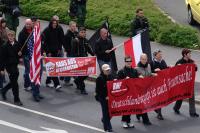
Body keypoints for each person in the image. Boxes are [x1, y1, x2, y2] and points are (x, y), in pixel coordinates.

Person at [173, 48, 199, 117]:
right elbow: (174, 72)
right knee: (181, 97)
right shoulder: (179, 62)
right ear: (185, 54)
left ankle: (192, 112)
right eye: (189, 54)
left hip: (190, 83)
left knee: (192, 97)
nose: (190, 55)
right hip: (182, 84)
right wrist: (178, 68)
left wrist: (195, 66)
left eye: (190, 53)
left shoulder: (191, 61)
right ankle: (176, 108)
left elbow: (195, 70)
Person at [0, 30, 23, 106]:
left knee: (14, 80)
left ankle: (3, 90)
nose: (10, 37)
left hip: (15, 65)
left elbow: (19, 54)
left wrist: (20, 55)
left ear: (14, 36)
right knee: (15, 84)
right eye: (9, 35)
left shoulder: (17, 44)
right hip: (9, 66)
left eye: (12, 36)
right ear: (8, 36)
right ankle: (16, 99)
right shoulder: (4, 46)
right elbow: (2, 59)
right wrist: (2, 69)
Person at [42, 16, 64, 91]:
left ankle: (48, 81)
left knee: (52, 67)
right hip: (50, 52)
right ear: (51, 23)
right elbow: (44, 43)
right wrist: (47, 52)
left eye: (56, 23)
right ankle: (57, 84)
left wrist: (59, 48)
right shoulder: (46, 30)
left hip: (56, 51)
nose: (55, 24)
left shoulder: (59, 29)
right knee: (52, 67)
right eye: (53, 23)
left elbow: (61, 39)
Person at [71, 27, 94, 95]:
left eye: (84, 32)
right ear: (79, 32)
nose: (83, 34)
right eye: (82, 32)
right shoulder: (75, 40)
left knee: (86, 73)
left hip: (85, 60)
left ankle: (77, 81)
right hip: (79, 60)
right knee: (82, 74)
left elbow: (88, 49)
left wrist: (93, 54)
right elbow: (73, 52)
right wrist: (75, 60)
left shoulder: (85, 40)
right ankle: (82, 89)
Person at [117, 56, 139, 128]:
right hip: (124, 93)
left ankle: (128, 121)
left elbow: (137, 80)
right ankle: (124, 121)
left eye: (130, 61)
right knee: (125, 107)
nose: (129, 63)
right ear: (125, 62)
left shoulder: (134, 71)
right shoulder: (121, 71)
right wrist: (124, 80)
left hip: (132, 92)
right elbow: (118, 82)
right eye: (127, 61)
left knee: (130, 107)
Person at [136, 53, 156, 125]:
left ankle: (138, 114)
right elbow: (136, 78)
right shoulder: (137, 68)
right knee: (144, 104)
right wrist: (139, 76)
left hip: (148, 87)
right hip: (141, 89)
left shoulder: (149, 65)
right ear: (140, 59)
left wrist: (153, 74)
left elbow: (149, 74)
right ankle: (146, 120)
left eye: (145, 59)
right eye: (143, 59)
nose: (144, 61)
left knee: (146, 103)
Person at [95, 64, 114, 133]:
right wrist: (105, 96)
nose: (108, 71)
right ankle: (107, 128)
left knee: (111, 112)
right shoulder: (99, 78)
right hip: (102, 97)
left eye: (108, 70)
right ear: (103, 70)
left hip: (110, 97)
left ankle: (104, 120)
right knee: (105, 112)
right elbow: (98, 90)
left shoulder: (111, 76)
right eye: (106, 70)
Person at [150, 49, 168, 120]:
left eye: (161, 54)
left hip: (162, 83)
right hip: (154, 84)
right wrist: (154, 71)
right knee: (154, 99)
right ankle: (156, 111)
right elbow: (148, 72)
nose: (161, 56)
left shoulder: (163, 61)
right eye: (159, 54)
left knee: (159, 99)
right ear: (155, 56)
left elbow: (166, 69)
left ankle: (159, 113)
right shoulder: (151, 63)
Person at [18, 18, 33, 91]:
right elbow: (20, 45)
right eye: (27, 24)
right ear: (25, 24)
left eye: (29, 24)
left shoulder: (33, 31)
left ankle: (27, 78)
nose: (28, 25)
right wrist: (20, 57)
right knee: (28, 70)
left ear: (31, 24)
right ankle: (26, 85)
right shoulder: (22, 33)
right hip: (26, 54)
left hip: (32, 53)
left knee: (29, 70)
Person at [63, 21, 78, 85]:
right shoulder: (67, 35)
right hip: (70, 53)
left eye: (75, 26)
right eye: (73, 26)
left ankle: (63, 77)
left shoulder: (76, 33)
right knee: (70, 67)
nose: (74, 28)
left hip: (76, 53)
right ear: (69, 27)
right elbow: (65, 44)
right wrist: (68, 50)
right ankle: (67, 81)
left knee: (73, 67)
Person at [0, 18, 9, 89]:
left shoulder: (7, 29)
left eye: (4, 23)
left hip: (5, 49)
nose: (4, 24)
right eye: (3, 23)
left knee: (3, 65)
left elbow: (9, 37)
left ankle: (3, 78)